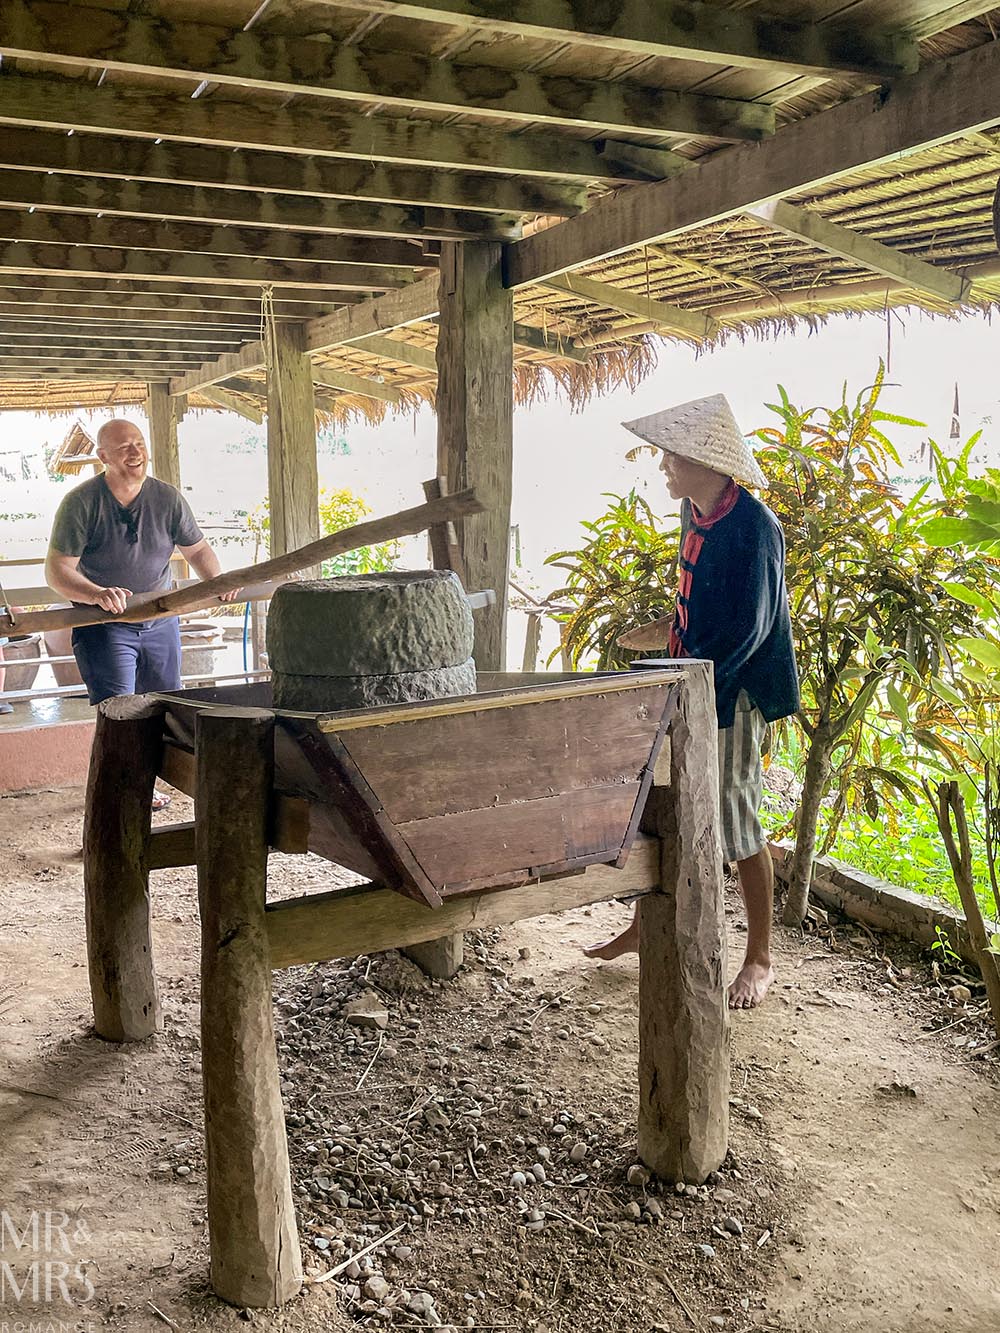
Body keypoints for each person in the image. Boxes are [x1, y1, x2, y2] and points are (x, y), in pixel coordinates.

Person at [584, 394, 799, 1009]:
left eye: (670, 458)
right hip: (695, 683)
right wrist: (663, 634)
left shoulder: (755, 530)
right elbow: (702, 607)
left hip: (731, 693)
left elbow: (748, 633)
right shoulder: (695, 512)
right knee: (670, 804)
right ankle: (647, 923)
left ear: (706, 461)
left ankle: (760, 958)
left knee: (736, 818)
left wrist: (689, 689)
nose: (663, 470)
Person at [45, 416, 239, 710]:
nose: (135, 453)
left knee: (168, 708)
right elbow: (57, 571)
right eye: (124, 447)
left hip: (162, 620)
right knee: (121, 712)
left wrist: (217, 580)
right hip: (105, 623)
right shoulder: (81, 503)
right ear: (103, 456)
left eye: (139, 444)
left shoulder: (168, 498)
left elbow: (197, 550)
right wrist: (96, 594)